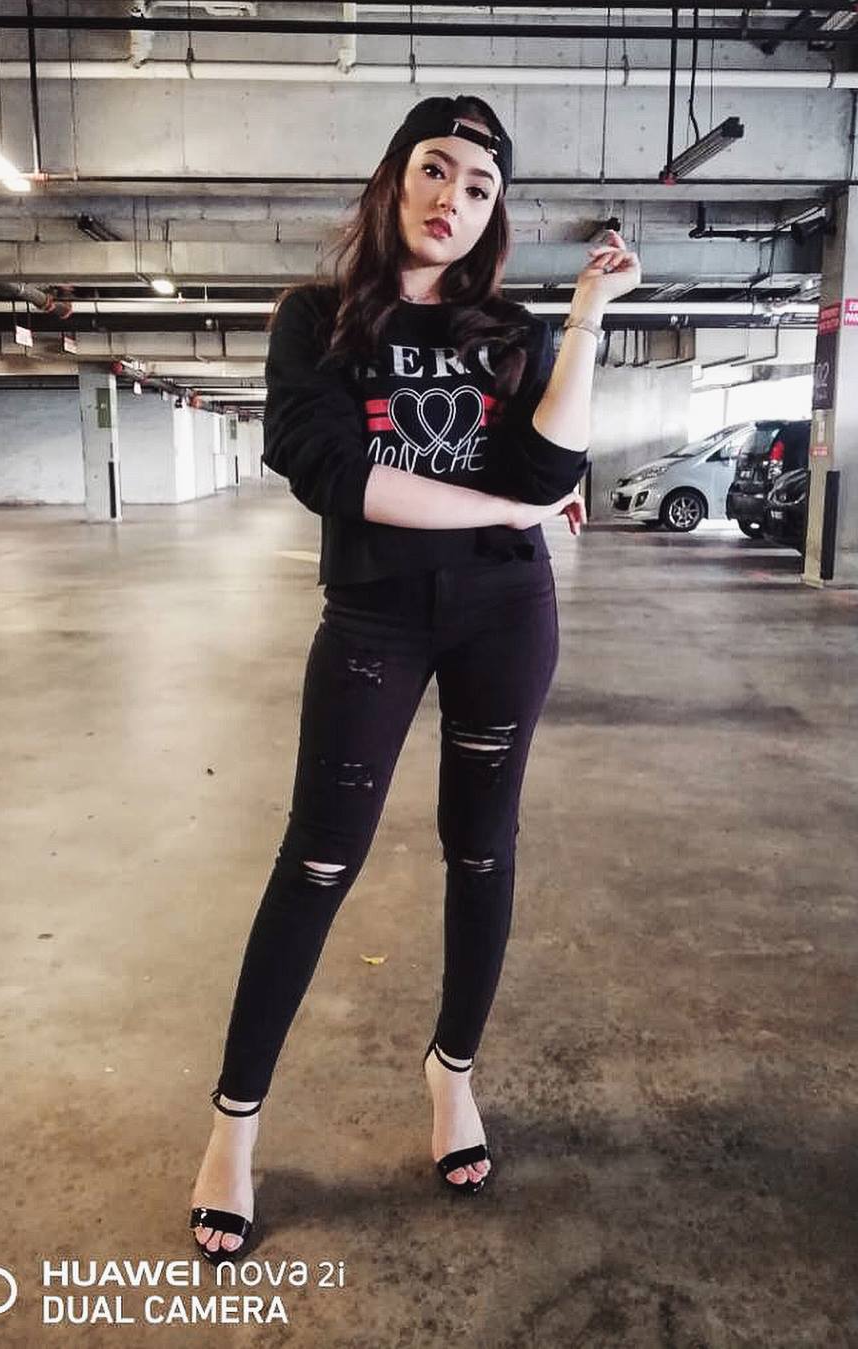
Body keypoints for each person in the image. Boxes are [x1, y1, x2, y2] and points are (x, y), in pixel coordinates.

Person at [189, 94, 640, 1263]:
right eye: (435, 169)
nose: (453, 197)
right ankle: (234, 1126)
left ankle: (453, 1073)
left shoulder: (511, 330)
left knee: (481, 849)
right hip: (375, 617)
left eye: (479, 186)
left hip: (505, 615)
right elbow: (328, 468)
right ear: (395, 178)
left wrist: (585, 320)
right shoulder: (318, 318)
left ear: (494, 213)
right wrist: (510, 507)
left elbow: (553, 464)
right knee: (318, 860)